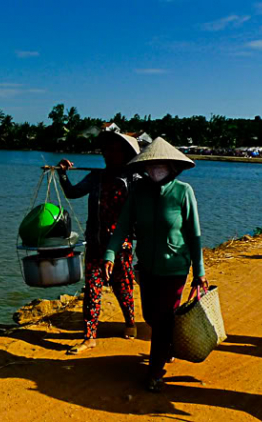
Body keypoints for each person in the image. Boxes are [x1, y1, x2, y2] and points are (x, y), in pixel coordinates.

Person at [103, 137, 208, 392]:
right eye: (150, 166)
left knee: (162, 319)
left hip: (175, 269)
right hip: (147, 268)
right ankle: (168, 346)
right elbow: (122, 226)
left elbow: (194, 235)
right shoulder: (139, 193)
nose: (154, 170)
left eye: (160, 165)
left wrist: (199, 272)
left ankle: (154, 371)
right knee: (150, 315)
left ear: (172, 166)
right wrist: (109, 254)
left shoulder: (184, 192)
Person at [57, 131, 141, 355]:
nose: (108, 154)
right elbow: (73, 193)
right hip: (95, 242)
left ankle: (130, 322)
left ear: (125, 154)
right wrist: (62, 174)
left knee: (123, 288)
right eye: (106, 150)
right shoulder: (96, 177)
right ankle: (89, 336)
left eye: (114, 150)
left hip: (121, 246)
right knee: (92, 290)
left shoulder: (133, 180)